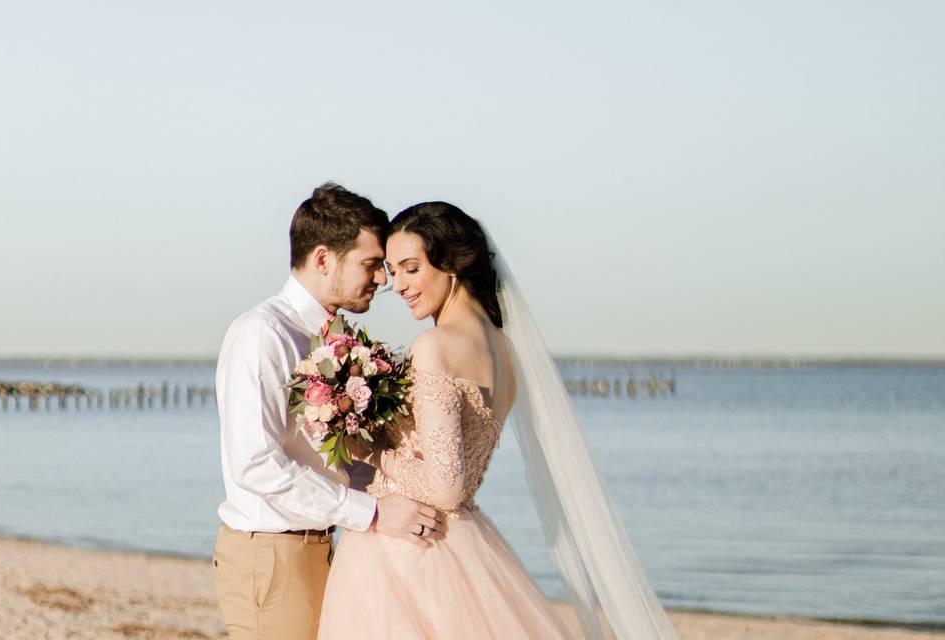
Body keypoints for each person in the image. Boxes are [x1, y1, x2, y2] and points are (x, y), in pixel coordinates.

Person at [318, 202, 679, 639]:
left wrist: (372, 451)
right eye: (394, 272)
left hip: (409, 555)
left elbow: (447, 487)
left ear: (450, 264)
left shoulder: (434, 346)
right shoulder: (507, 351)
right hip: (466, 546)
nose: (400, 286)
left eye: (411, 269)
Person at [212, 184, 445, 640]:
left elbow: (329, 457)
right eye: (371, 264)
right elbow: (256, 465)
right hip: (273, 555)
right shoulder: (263, 335)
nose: (383, 279)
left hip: (318, 546)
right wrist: (373, 514)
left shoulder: (328, 338)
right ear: (323, 259)